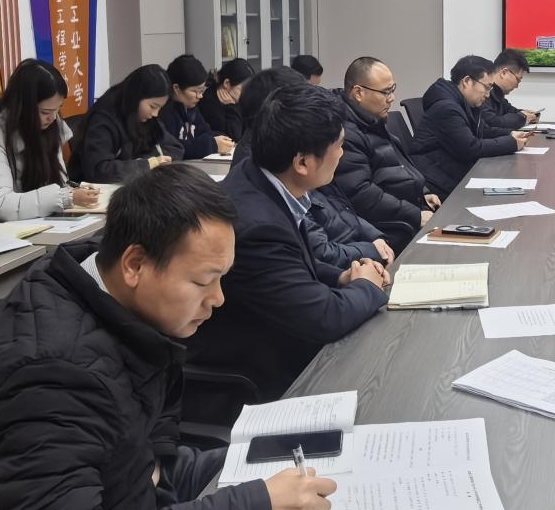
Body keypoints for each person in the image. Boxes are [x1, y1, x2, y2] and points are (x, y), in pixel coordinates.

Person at [0, 164, 336, 510]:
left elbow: (142, 466)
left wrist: (251, 466)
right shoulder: (53, 378)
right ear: (135, 264)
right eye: (203, 281)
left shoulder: (115, 309)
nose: (218, 299)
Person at [185, 83, 389, 403]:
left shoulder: (259, 176)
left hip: (278, 330)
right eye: (338, 145)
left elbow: (289, 262)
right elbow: (324, 318)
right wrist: (367, 286)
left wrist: (340, 276)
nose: (342, 154)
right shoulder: (258, 226)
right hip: (260, 369)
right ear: (302, 163)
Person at [234, 66, 394, 269]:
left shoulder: (303, 155)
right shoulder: (280, 170)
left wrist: (373, 238)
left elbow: (340, 208)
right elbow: (318, 254)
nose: (341, 153)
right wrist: (369, 253)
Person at [0, 59, 100, 223]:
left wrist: (74, 191)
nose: (53, 118)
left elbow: (59, 183)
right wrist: (64, 197)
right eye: (45, 112)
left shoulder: (50, 128)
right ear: (23, 107)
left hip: (37, 224)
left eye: (58, 109)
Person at [335, 56, 439, 252]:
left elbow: (398, 166)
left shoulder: (371, 121)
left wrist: (422, 193)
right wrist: (414, 214)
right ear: (358, 93)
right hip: (391, 229)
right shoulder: (346, 133)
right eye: (386, 92)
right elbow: (360, 194)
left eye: (393, 89)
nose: (391, 98)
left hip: (408, 212)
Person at [410, 55, 531, 199]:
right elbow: (470, 148)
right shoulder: (447, 109)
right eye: (486, 87)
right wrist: (511, 143)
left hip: (452, 171)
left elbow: (483, 130)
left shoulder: (464, 103)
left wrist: (510, 135)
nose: (488, 94)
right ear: (467, 81)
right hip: (437, 180)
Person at [68, 64, 184, 183]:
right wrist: (146, 164)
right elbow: (99, 171)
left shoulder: (146, 118)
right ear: (136, 97)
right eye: (153, 106)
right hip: (92, 189)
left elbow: (175, 148)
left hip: (132, 184)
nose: (155, 114)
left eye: (160, 108)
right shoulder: (104, 118)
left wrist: (150, 161)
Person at [159, 54, 234, 160]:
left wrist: (219, 139)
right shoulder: (164, 113)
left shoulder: (192, 108)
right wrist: (213, 144)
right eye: (195, 91)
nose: (200, 96)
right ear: (176, 88)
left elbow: (205, 131)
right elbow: (176, 149)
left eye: (202, 91)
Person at [482, 48, 540, 130]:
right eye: (518, 80)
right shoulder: (483, 92)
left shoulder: (498, 94)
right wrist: (523, 117)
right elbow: (492, 122)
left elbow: (510, 110)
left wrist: (526, 114)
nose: (517, 86)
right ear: (504, 73)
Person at [199, 58, 254, 140]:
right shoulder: (209, 103)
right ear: (227, 83)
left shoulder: (238, 99)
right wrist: (231, 107)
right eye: (244, 88)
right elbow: (234, 136)